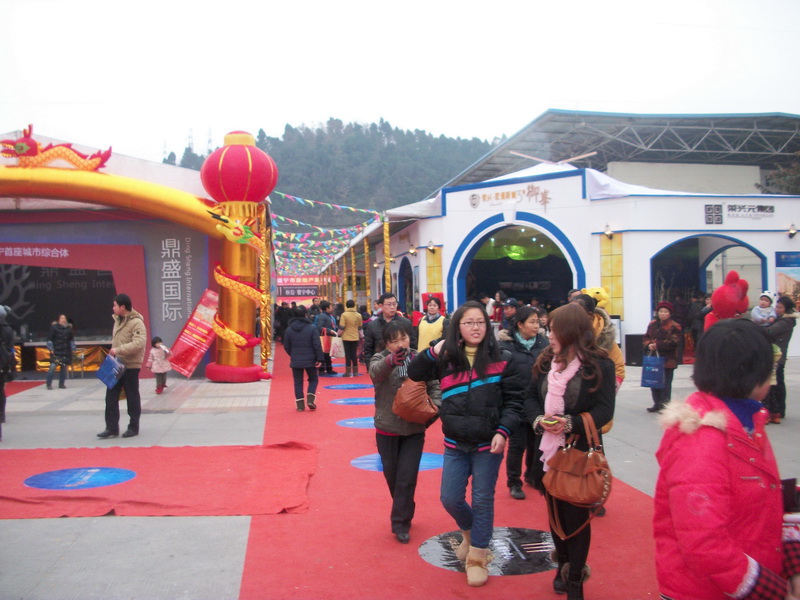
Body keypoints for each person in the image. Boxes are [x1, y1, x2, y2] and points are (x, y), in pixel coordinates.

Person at [653, 318, 800, 600]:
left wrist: (792, 563)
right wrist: (774, 592)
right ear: (753, 376)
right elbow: (703, 541)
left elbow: (766, 495)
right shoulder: (701, 440)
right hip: (704, 591)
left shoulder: (747, 422)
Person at [408, 300, 524, 587]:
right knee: (450, 498)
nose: (475, 327)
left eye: (480, 322)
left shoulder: (504, 359)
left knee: (482, 500)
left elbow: (514, 402)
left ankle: (478, 557)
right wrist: (433, 350)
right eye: (469, 322)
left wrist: (503, 431)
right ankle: (472, 535)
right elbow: (414, 372)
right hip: (455, 443)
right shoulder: (447, 359)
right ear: (457, 327)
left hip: (488, 444)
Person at [527, 303, 616, 598]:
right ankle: (562, 566)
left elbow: (604, 410)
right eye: (548, 329)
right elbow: (529, 398)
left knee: (575, 517)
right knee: (555, 514)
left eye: (553, 330)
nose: (548, 335)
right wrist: (539, 420)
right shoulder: (545, 361)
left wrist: (569, 423)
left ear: (571, 331)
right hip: (547, 451)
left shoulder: (598, 365)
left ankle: (575, 577)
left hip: (578, 452)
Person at [369, 319, 441, 544]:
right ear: (386, 344)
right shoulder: (380, 359)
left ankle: (400, 522)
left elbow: (434, 384)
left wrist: (435, 408)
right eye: (394, 341)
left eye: (404, 338)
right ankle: (405, 506)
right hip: (387, 429)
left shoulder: (420, 359)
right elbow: (375, 373)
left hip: (414, 429)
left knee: (407, 477)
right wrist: (390, 361)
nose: (401, 344)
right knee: (393, 477)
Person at [497, 305, 549, 500]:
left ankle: (532, 474)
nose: (536, 326)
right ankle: (514, 482)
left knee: (536, 443)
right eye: (532, 322)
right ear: (520, 324)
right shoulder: (505, 346)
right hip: (515, 401)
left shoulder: (544, 344)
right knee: (517, 445)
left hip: (537, 402)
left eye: (538, 322)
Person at [98, 293, 147, 439]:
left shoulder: (137, 322)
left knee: (132, 396)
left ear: (123, 307)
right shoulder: (117, 321)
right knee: (110, 396)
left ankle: (133, 427)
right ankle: (111, 428)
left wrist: (118, 350)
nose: (113, 308)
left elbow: (139, 343)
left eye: (115, 305)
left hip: (131, 365)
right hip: (116, 363)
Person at [570, 294, 625, 391]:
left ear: (589, 314)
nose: (571, 315)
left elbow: (618, 369)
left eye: (577, 311)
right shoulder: (566, 332)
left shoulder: (605, 337)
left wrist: (606, 391)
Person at [763, 296, 798, 423]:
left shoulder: (786, 321)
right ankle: (777, 411)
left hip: (777, 356)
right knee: (776, 383)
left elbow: (770, 331)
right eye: (776, 307)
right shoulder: (781, 319)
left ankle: (777, 411)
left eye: (780, 307)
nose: (777, 309)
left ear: (786, 309)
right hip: (776, 355)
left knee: (776, 384)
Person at [642, 301, 682, 413]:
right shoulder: (652, 324)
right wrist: (649, 344)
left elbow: (674, 342)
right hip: (654, 358)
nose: (663, 314)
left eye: (665, 312)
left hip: (668, 360)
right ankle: (656, 403)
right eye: (661, 311)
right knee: (653, 381)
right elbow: (645, 337)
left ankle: (664, 405)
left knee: (666, 383)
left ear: (670, 313)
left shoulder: (675, 326)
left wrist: (657, 345)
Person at [283, 306, 324, 411]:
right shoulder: (312, 328)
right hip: (311, 359)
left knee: (298, 381)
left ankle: (300, 404)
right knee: (313, 379)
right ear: (306, 315)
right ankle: (310, 397)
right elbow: (317, 345)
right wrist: (319, 359)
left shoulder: (289, 329)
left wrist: (293, 354)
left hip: (296, 359)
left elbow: (286, 345)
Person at [363, 293, 414, 365]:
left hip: (404, 363)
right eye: (389, 304)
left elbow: (413, 345)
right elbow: (368, 349)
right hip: (381, 365)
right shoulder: (372, 325)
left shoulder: (406, 323)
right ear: (381, 306)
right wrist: (370, 367)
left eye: (394, 304)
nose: (392, 307)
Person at [45, 314, 74, 390]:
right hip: (56, 351)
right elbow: (49, 339)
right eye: (61, 318)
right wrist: (51, 349)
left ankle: (61, 384)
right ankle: (49, 384)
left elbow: (71, 340)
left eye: (64, 318)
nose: (63, 319)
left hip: (65, 351)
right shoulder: (54, 328)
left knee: (63, 368)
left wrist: (73, 349)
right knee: (52, 367)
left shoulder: (68, 329)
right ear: (58, 320)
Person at [0, 305, 15, 440]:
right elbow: (11, 347)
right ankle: (2, 414)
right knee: (1, 391)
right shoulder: (8, 329)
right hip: (3, 362)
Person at [314, 300, 340, 375]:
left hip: (329, 337)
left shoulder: (329, 316)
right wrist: (329, 331)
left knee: (328, 354)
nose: (332, 308)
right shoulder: (322, 316)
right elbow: (319, 327)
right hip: (324, 337)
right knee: (323, 354)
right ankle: (322, 369)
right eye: (331, 307)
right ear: (327, 308)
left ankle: (329, 369)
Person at [338, 299, 363, 377]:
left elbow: (342, 327)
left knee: (348, 354)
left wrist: (338, 334)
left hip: (346, 337)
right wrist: (362, 336)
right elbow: (360, 327)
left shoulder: (344, 315)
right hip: (355, 337)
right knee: (354, 354)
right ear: (354, 305)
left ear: (346, 306)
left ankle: (348, 372)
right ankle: (355, 372)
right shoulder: (358, 315)